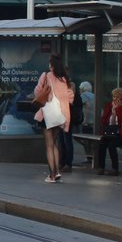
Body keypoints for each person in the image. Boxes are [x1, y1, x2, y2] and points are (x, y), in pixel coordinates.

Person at [34, 54, 74, 183]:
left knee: (49, 145)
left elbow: (37, 91)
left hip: (48, 115)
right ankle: (57, 172)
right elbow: (70, 97)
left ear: (51, 65)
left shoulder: (46, 76)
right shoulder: (64, 79)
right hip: (60, 115)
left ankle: (52, 174)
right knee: (55, 143)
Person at [94, 88, 122, 175]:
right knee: (102, 144)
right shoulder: (109, 105)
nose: (115, 98)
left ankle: (115, 168)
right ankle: (101, 167)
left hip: (120, 133)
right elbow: (104, 119)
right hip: (109, 131)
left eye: (117, 97)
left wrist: (118, 109)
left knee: (112, 145)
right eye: (114, 96)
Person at [58, 82, 84, 172]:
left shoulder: (74, 97)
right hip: (62, 119)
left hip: (68, 119)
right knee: (62, 141)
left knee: (66, 141)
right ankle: (62, 162)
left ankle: (68, 163)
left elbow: (75, 108)